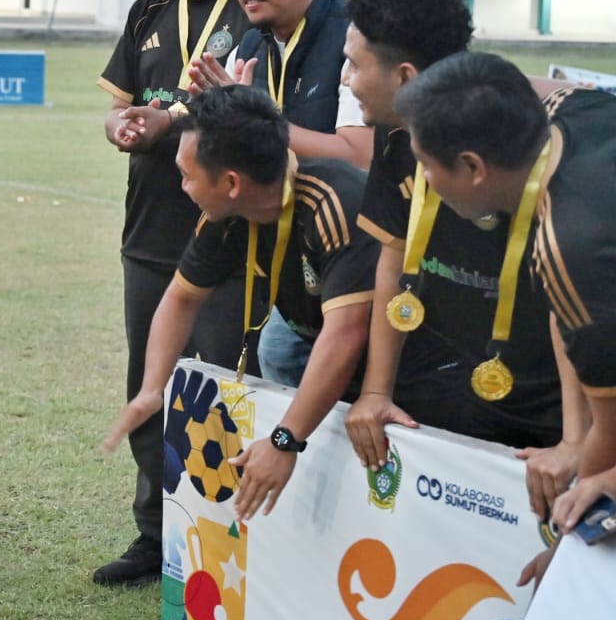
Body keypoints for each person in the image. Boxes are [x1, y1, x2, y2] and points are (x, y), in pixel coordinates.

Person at [103, 85, 438, 522]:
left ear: (231, 183)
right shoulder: (229, 215)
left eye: (186, 175)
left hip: (409, 371)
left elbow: (347, 331)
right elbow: (181, 297)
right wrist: (152, 390)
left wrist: (285, 440)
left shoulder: (336, 204)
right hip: (330, 356)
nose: (182, 186)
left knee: (393, 511)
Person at [341, 0, 574, 522]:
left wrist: (579, 440)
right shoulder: (394, 136)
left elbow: (575, 306)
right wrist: (375, 391)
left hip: (561, 394)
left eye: (353, 64)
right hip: (464, 375)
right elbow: (394, 255)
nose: (346, 80)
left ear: (404, 76)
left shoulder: (520, 147)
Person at [93, 0, 255, 587]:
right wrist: (124, 124)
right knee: (149, 384)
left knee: (219, 391)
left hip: (227, 234)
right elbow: (118, 106)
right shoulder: (148, 10)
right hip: (150, 231)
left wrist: (176, 119)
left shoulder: (254, 9)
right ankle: (154, 535)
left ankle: (218, 539)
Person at [393, 56, 616, 548]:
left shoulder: (569, 248)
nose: (424, 179)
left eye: (427, 164)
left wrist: (569, 547)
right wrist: (574, 442)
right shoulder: (571, 106)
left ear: (474, 167)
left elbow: (611, 432)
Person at [191, 0, 373, 386]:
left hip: (360, 259)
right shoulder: (252, 43)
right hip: (290, 264)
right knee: (280, 360)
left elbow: (360, 156)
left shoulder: (355, 39)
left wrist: (256, 121)